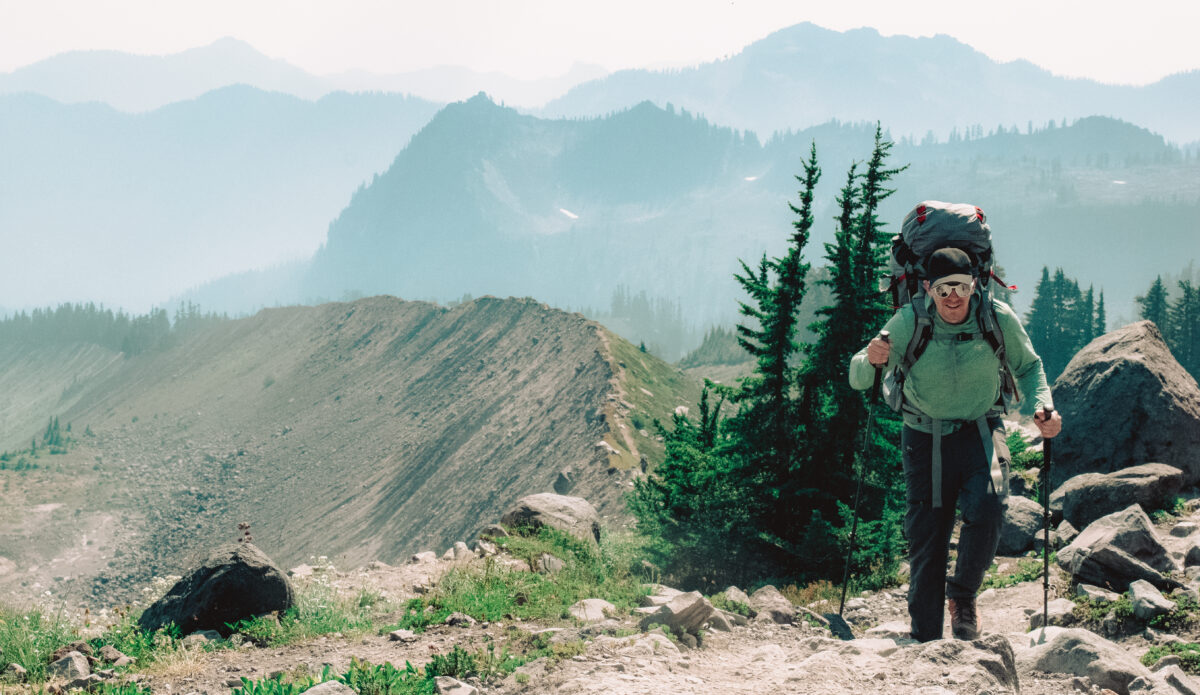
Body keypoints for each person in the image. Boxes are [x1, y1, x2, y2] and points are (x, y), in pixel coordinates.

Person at [849, 244, 1062, 642]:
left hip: (982, 430)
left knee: (992, 504)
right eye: (944, 288)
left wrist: (1043, 408)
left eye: (962, 288)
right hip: (923, 436)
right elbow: (858, 376)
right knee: (928, 534)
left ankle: (962, 596)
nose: (953, 298)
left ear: (975, 287)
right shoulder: (909, 321)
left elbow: (1030, 366)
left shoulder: (995, 318)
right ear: (928, 287)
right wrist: (871, 359)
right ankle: (925, 634)